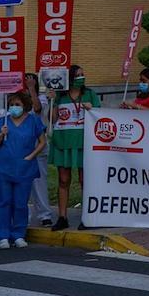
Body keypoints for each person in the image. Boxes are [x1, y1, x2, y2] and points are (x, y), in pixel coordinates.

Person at [0, 91, 47, 249]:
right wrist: (2, 133)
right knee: (3, 202)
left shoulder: (33, 121)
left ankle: (19, 234)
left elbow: (42, 141)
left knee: (21, 203)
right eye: (12, 105)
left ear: (25, 106)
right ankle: (2, 236)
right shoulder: (4, 121)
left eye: (17, 105)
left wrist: (31, 156)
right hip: (4, 168)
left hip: (24, 169)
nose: (14, 107)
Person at [49, 64, 98, 231]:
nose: (81, 78)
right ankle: (62, 217)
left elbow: (102, 115)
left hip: (85, 143)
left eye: (83, 74)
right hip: (63, 141)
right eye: (78, 75)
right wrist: (52, 101)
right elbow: (53, 119)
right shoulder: (60, 96)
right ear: (69, 78)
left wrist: (92, 109)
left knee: (85, 180)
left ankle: (87, 217)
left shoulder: (90, 94)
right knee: (63, 180)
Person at [22, 72, 54, 227]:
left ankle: (44, 215)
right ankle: (23, 216)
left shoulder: (41, 98)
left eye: (31, 81)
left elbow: (37, 109)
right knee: (22, 185)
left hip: (38, 148)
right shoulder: (17, 101)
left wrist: (31, 89)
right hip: (21, 150)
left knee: (39, 183)